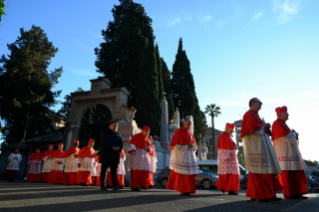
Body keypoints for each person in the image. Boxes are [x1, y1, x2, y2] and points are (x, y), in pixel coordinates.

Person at [241, 98, 282, 202]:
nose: (261, 104)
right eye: (259, 103)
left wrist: (265, 127)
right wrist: (264, 126)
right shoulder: (248, 115)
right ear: (253, 103)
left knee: (261, 172)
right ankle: (265, 195)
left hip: (261, 146)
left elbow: (259, 128)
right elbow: (251, 128)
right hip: (257, 148)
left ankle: (256, 194)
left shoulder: (255, 115)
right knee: (263, 171)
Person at [272, 106, 308, 199]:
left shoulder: (283, 124)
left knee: (296, 172)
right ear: (279, 115)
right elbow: (288, 137)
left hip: (290, 153)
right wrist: (295, 133)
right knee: (287, 174)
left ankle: (297, 192)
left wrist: (293, 134)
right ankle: (290, 194)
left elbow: (288, 136)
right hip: (284, 154)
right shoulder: (276, 124)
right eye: (286, 113)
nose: (288, 114)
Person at [166, 118, 200, 195]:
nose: (189, 125)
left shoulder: (190, 133)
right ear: (184, 123)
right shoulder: (178, 132)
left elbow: (194, 146)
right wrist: (186, 146)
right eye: (188, 124)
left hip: (189, 156)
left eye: (190, 124)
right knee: (184, 174)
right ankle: (184, 190)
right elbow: (176, 145)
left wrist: (192, 146)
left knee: (190, 174)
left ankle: (189, 190)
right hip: (182, 157)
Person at [216, 123, 240, 195]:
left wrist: (235, 147)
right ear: (226, 129)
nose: (232, 132)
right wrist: (225, 157)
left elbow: (233, 148)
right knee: (228, 175)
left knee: (232, 174)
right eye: (231, 130)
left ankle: (229, 189)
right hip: (227, 160)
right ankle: (228, 189)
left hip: (232, 160)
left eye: (233, 130)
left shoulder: (229, 137)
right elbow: (223, 148)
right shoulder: (223, 136)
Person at [128, 126, 155, 191]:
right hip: (137, 155)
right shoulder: (136, 136)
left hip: (145, 156)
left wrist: (148, 148)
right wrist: (133, 150)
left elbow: (150, 147)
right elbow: (132, 144)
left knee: (146, 170)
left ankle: (143, 184)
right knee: (137, 171)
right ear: (143, 131)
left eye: (148, 133)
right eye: (146, 132)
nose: (147, 134)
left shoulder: (147, 138)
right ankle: (136, 186)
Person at [99, 120, 123, 191]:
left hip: (114, 155)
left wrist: (119, 147)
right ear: (110, 125)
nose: (115, 127)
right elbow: (104, 141)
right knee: (104, 170)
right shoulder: (105, 133)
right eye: (114, 125)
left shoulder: (118, 134)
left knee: (114, 171)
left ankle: (115, 185)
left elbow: (121, 143)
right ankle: (103, 185)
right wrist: (112, 147)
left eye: (116, 126)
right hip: (106, 154)